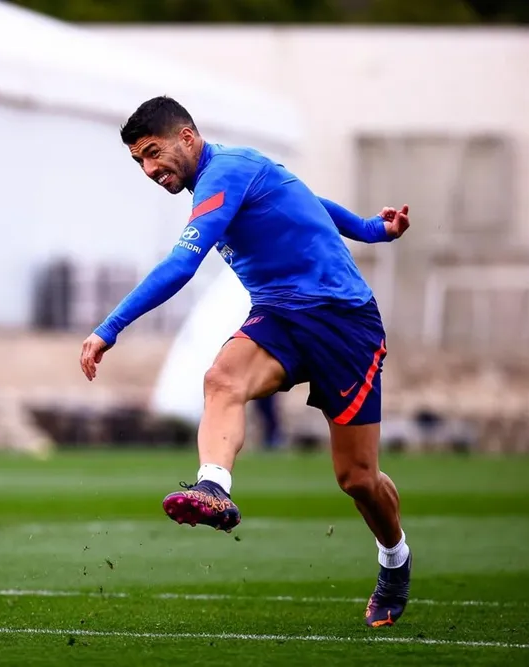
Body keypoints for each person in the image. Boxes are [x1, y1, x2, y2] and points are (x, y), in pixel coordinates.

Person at [78, 97, 412, 628]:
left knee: (358, 479)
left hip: (344, 323)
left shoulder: (228, 170)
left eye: (153, 153)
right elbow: (307, 200)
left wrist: (108, 327)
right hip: (280, 315)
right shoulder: (236, 176)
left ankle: (394, 559)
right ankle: (213, 486)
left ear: (187, 137)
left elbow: (182, 264)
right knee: (220, 379)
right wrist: (371, 229)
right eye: (139, 161)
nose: (149, 170)